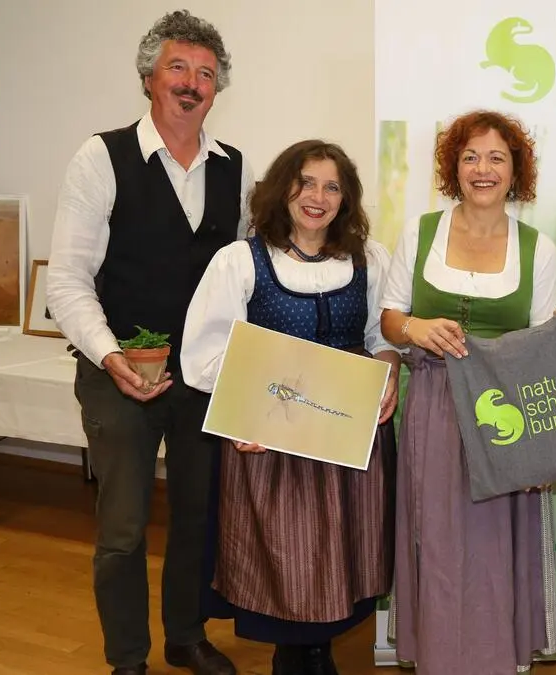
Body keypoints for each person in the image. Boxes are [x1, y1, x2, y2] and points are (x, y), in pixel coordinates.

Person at [46, 10, 252, 675]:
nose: (191, 83)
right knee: (123, 526)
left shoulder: (234, 169)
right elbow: (67, 280)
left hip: (201, 378)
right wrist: (111, 356)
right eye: (177, 68)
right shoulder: (100, 158)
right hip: (116, 372)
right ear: (147, 79)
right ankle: (128, 658)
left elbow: (245, 278)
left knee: (197, 514)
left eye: (205, 74)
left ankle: (185, 636)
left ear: (217, 90)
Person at [180, 140, 400, 675]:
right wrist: (241, 414)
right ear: (283, 189)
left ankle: (318, 651)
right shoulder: (241, 260)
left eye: (332, 187)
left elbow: (382, 336)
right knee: (288, 555)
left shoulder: (369, 260)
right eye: (306, 183)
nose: (317, 197)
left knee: (343, 553)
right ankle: (294, 654)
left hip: (347, 434)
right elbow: (205, 356)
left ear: (346, 199)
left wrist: (390, 369)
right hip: (273, 437)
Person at [379, 109, 556, 674]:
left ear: (515, 171)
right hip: (433, 406)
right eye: (471, 157)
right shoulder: (421, 232)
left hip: (503, 414)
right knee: (434, 539)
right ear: (453, 167)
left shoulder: (538, 249)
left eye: (496, 158)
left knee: (492, 547)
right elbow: (389, 319)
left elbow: (543, 350)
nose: (483, 169)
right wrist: (415, 329)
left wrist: (540, 447)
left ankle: (493, 661)